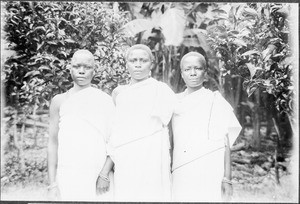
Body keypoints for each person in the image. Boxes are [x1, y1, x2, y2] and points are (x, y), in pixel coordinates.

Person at [103, 44, 176, 202]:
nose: (138, 64)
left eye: (143, 60)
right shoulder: (119, 93)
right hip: (126, 156)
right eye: (133, 60)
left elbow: (170, 129)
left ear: (151, 63)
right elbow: (116, 130)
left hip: (154, 156)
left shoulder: (161, 90)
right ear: (126, 63)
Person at [171, 52, 242, 202]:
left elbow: (225, 143)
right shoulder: (173, 102)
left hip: (209, 168)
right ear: (182, 73)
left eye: (198, 68)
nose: (193, 73)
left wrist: (227, 178)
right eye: (187, 69)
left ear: (206, 73)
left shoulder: (215, 101)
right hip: (181, 168)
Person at [47, 49, 115, 201]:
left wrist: (104, 174)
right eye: (77, 66)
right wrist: (52, 184)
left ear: (94, 71)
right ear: (70, 68)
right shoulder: (59, 101)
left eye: (87, 67)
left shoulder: (105, 100)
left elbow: (114, 141)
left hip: (97, 174)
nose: (82, 71)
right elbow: (52, 143)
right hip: (68, 171)